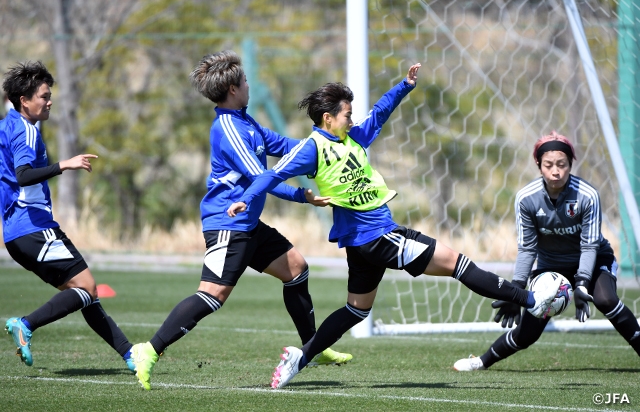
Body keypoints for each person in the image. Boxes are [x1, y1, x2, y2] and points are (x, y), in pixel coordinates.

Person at [227, 63, 562, 389]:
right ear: (328, 118)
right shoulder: (311, 149)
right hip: (380, 236)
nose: (352, 119)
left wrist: (404, 86)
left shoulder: (353, 137)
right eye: (347, 114)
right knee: (457, 264)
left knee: (356, 310)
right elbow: (272, 174)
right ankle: (531, 300)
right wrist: (247, 197)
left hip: (362, 244)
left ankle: (299, 359)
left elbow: (380, 113)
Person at [131, 50, 352, 390]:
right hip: (228, 225)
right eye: (246, 81)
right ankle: (148, 350)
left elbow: (284, 145)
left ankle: (313, 347)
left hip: (247, 224)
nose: (250, 85)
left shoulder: (246, 122)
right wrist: (301, 196)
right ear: (233, 89)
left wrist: (325, 144)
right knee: (212, 295)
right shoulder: (227, 128)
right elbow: (261, 178)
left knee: (296, 268)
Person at [453, 131, 640, 371]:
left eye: (562, 165)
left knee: (606, 299)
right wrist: (516, 290)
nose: (555, 171)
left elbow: (590, 245)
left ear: (570, 164)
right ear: (538, 165)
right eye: (549, 165)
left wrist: (582, 283)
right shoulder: (526, 199)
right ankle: (481, 362)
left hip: (593, 261)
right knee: (528, 333)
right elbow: (527, 248)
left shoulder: (588, 195)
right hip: (552, 268)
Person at [1, 61, 135, 371]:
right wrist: (65, 164)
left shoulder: (6, 125)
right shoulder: (26, 131)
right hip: (34, 226)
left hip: (16, 235)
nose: (49, 102)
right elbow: (23, 175)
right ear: (24, 101)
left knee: (84, 292)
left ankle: (130, 355)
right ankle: (25, 324)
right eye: (44, 96)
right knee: (86, 288)